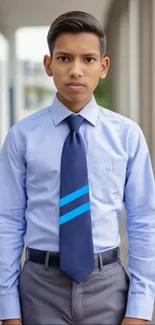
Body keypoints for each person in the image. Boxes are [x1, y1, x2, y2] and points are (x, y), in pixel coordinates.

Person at [0, 10, 155, 325]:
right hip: (39, 288)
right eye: (64, 58)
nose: (75, 70)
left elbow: (143, 222)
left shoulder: (127, 136)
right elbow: (7, 222)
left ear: (104, 66)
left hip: (109, 288)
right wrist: (8, 310)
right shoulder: (22, 136)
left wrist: (140, 308)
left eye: (87, 59)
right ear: (48, 65)